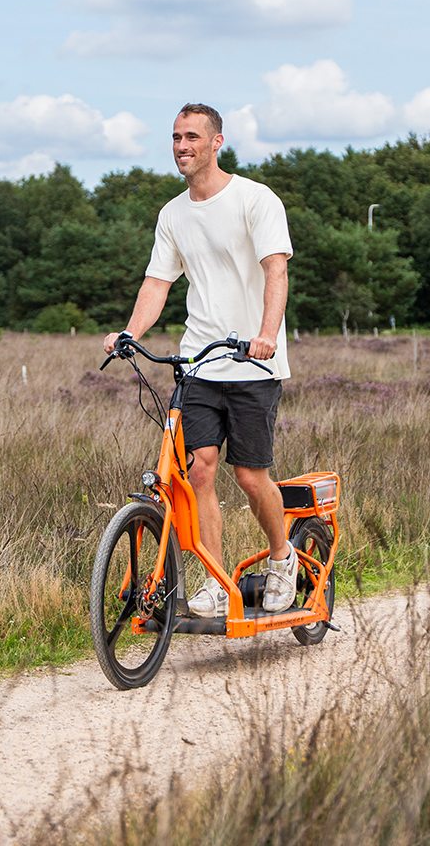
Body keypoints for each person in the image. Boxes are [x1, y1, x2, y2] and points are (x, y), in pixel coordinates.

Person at [101, 103, 297, 616]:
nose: (181, 146)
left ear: (216, 142)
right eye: (174, 137)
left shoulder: (256, 200)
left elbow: (276, 271)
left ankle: (282, 557)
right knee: (199, 473)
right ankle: (214, 579)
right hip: (199, 365)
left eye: (192, 137)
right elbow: (158, 282)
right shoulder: (172, 214)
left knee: (251, 477)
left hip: (253, 364)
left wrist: (265, 335)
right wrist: (130, 331)